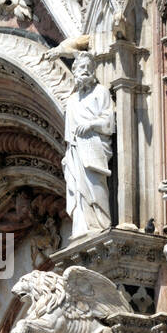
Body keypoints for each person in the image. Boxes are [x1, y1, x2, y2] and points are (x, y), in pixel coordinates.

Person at [62, 51, 115, 240]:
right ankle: (82, 226)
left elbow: (109, 121)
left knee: (95, 185)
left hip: (94, 148)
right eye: (81, 67)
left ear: (93, 71)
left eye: (88, 67)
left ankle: (100, 223)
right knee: (78, 189)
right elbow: (69, 136)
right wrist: (67, 156)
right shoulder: (71, 102)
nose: (85, 71)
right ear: (74, 71)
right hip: (76, 151)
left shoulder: (100, 92)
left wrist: (91, 125)